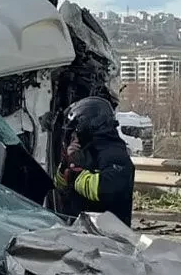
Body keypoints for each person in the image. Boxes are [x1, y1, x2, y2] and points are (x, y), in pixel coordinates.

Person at [53, 96, 135, 225]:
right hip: (82, 230)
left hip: (107, 236)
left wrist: (76, 172)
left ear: (89, 124)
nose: (74, 134)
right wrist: (66, 164)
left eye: (76, 129)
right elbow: (60, 187)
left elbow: (106, 189)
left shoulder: (114, 153)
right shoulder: (87, 150)